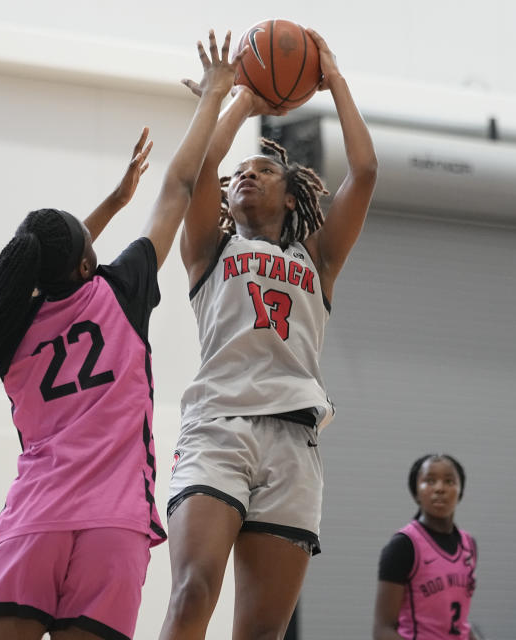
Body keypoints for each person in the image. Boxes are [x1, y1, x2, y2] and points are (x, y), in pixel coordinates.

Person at [0, 29, 244, 640]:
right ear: (88, 263)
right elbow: (179, 187)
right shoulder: (120, 289)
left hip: (34, 520)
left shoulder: (7, 330)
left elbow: (45, 267)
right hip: (113, 524)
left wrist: (107, 206)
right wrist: (214, 95)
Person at [159, 29, 378, 640]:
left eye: (263, 169)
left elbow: (365, 170)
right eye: (241, 174)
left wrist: (332, 79)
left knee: (260, 632)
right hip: (218, 427)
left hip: (292, 439)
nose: (245, 176)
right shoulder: (209, 247)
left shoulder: (319, 259)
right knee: (191, 592)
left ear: (292, 191)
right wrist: (242, 103)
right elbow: (200, 168)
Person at [373, 454, 480, 640]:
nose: (440, 488)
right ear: (416, 492)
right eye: (430, 481)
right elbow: (383, 631)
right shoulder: (403, 545)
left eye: (449, 481)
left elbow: (460, 622)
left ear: (460, 491)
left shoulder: (469, 545)